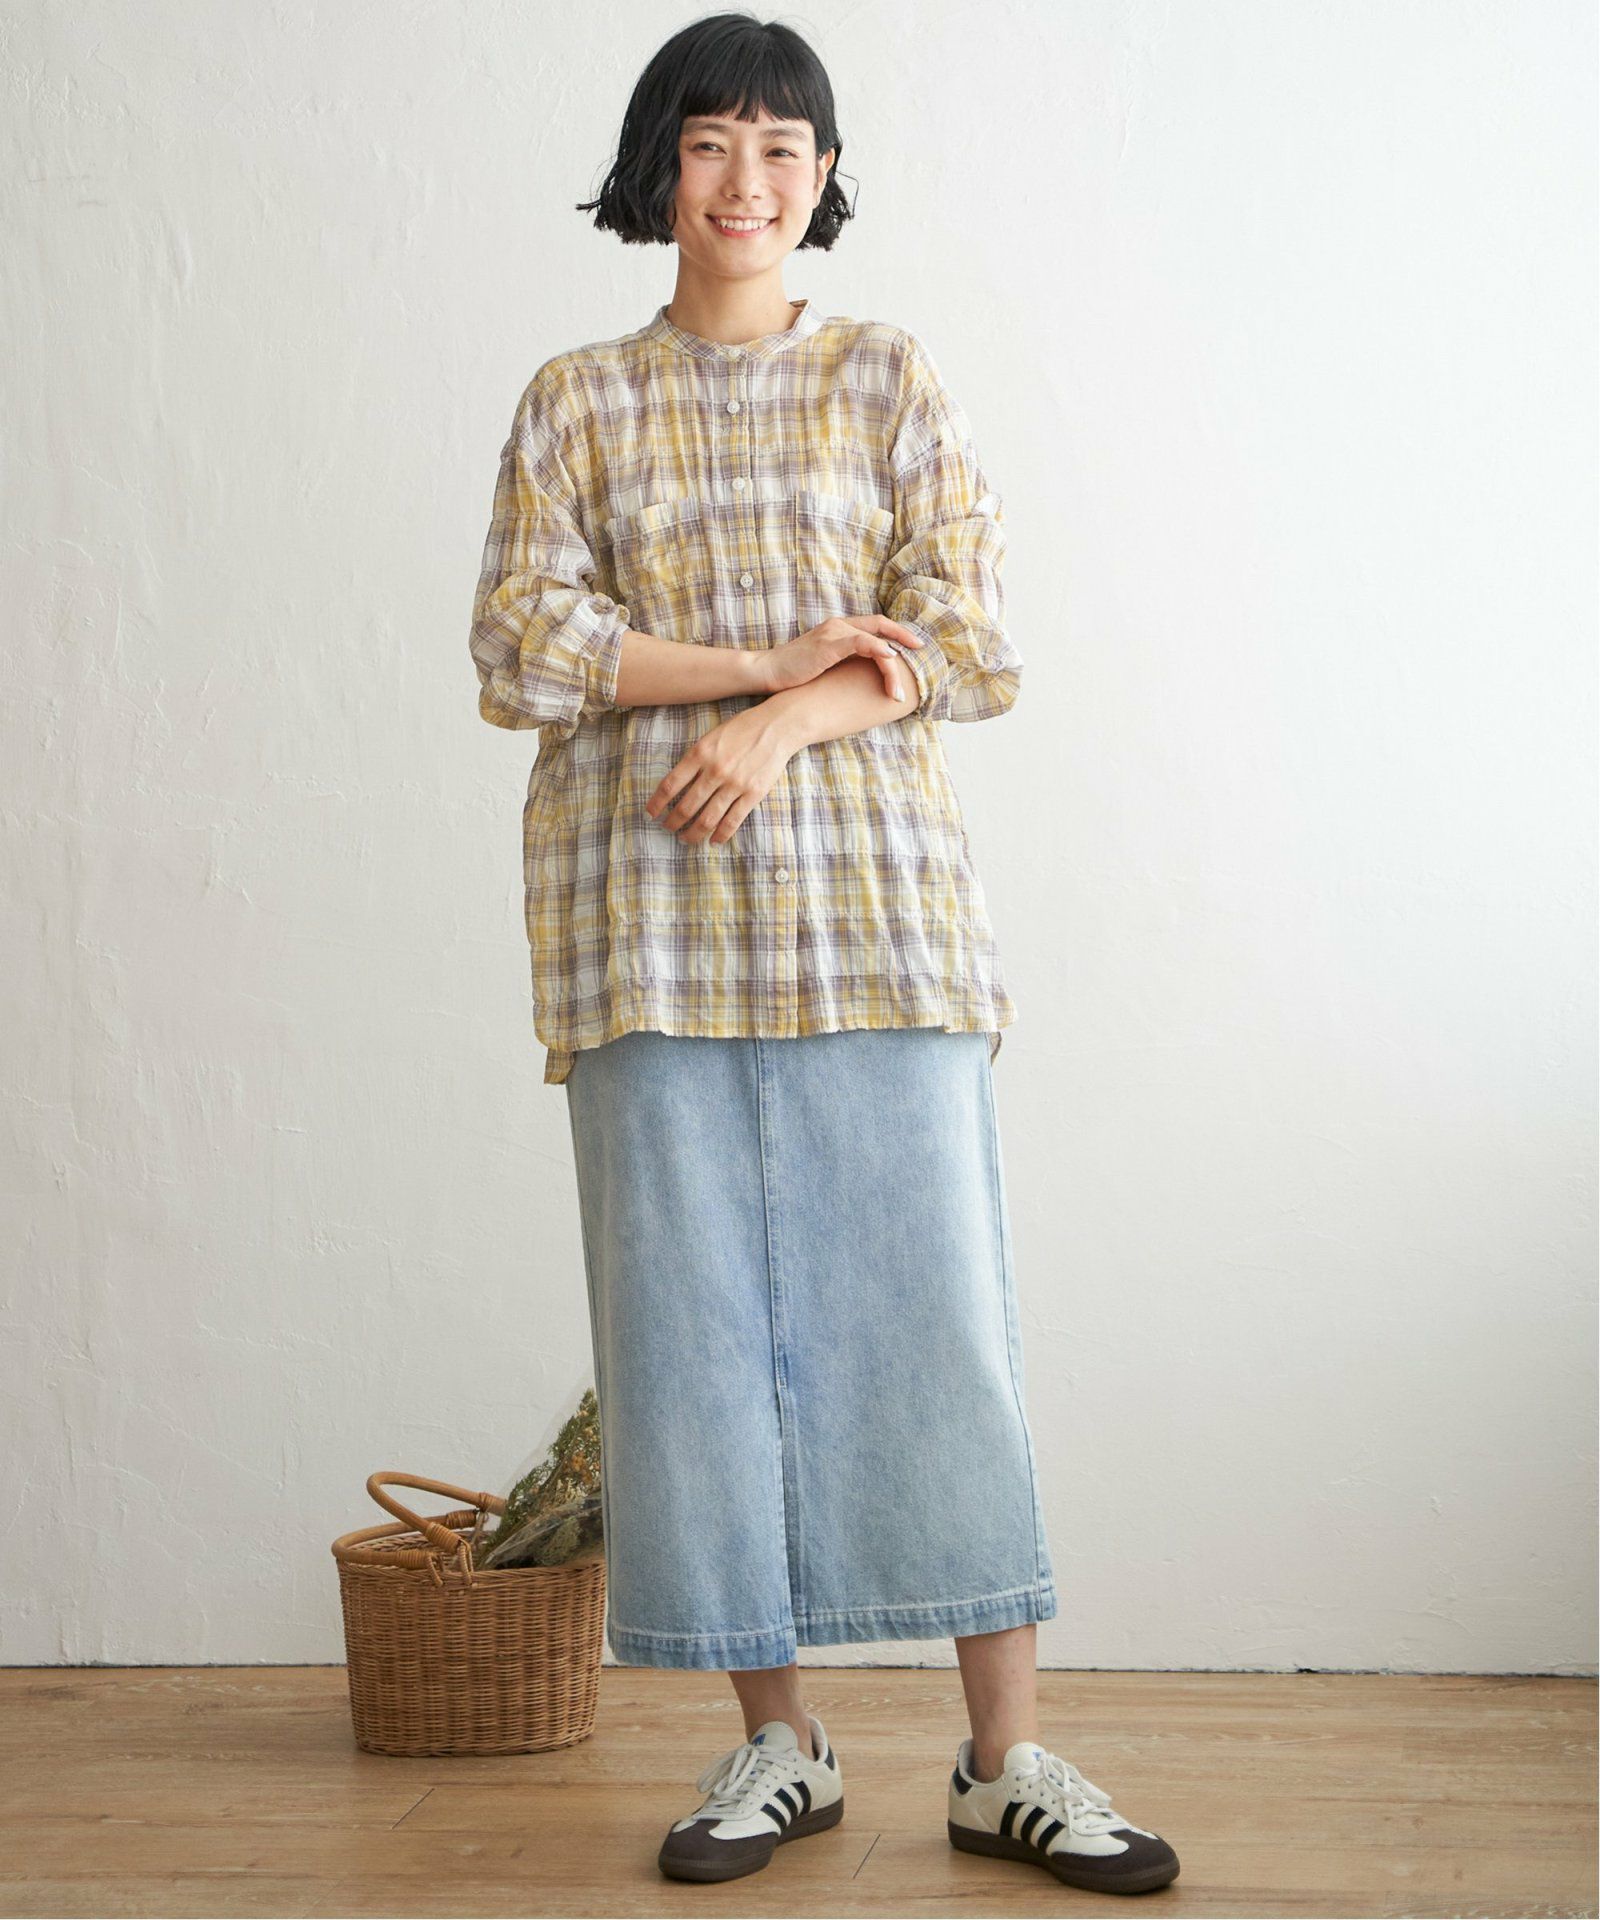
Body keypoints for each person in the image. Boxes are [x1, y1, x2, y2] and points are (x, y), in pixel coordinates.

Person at [467, 10, 1178, 1898]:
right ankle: (778, 1744)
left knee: (939, 1333)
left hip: (880, 924)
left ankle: (1006, 1761)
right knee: (694, 1348)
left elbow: (969, 630)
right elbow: (521, 644)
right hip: (644, 932)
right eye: (711, 142)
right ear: (658, 169)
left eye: (785, 146)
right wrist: (761, 659)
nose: (748, 179)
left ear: (828, 175)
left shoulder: (887, 374)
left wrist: (788, 722)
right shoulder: (575, 398)